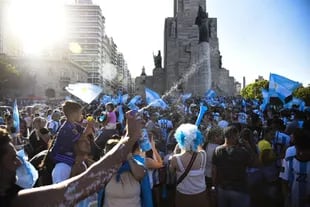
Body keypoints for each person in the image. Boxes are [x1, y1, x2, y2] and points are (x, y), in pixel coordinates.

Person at [1, 110, 143, 207]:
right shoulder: (15, 202)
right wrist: (128, 140)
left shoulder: (84, 162)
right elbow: (79, 187)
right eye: (13, 158)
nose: (19, 162)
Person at [50, 101, 93, 184]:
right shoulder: (67, 128)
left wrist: (90, 128)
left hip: (74, 157)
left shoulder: (74, 125)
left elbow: (84, 133)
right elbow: (80, 138)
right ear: (73, 113)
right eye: (80, 112)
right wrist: (88, 128)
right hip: (64, 158)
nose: (82, 115)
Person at [212, 126, 253, 207]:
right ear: (235, 136)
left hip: (222, 189)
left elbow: (214, 171)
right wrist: (249, 147)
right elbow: (255, 163)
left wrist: (214, 186)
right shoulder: (242, 151)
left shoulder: (217, 150)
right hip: (239, 190)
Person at [169, 123, 207, 207]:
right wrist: (193, 138)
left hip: (183, 196)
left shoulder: (175, 159)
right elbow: (199, 147)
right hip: (201, 195)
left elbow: (171, 172)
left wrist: (176, 150)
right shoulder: (203, 154)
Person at [279, 128, 310, 207]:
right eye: (299, 150)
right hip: (293, 201)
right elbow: (284, 182)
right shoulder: (288, 162)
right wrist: (286, 198)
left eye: (305, 151)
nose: (301, 153)